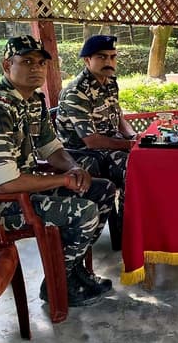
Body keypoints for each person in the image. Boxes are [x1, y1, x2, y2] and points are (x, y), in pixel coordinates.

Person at [0, 35, 116, 307]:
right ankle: (58, 284)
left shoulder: (31, 101)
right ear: (7, 65)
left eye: (41, 63)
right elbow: (6, 183)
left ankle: (70, 271)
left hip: (23, 192)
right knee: (83, 211)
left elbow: (51, 148)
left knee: (102, 190)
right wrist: (63, 179)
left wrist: (74, 168)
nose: (36, 69)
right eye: (27, 61)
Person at [55, 34, 137, 248]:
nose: (109, 62)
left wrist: (133, 137)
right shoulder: (76, 92)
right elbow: (91, 140)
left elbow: (119, 117)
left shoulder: (110, 83)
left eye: (112, 57)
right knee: (132, 168)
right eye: (102, 57)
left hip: (108, 146)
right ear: (87, 60)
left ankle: (137, 226)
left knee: (146, 161)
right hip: (81, 153)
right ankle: (127, 233)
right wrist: (129, 146)